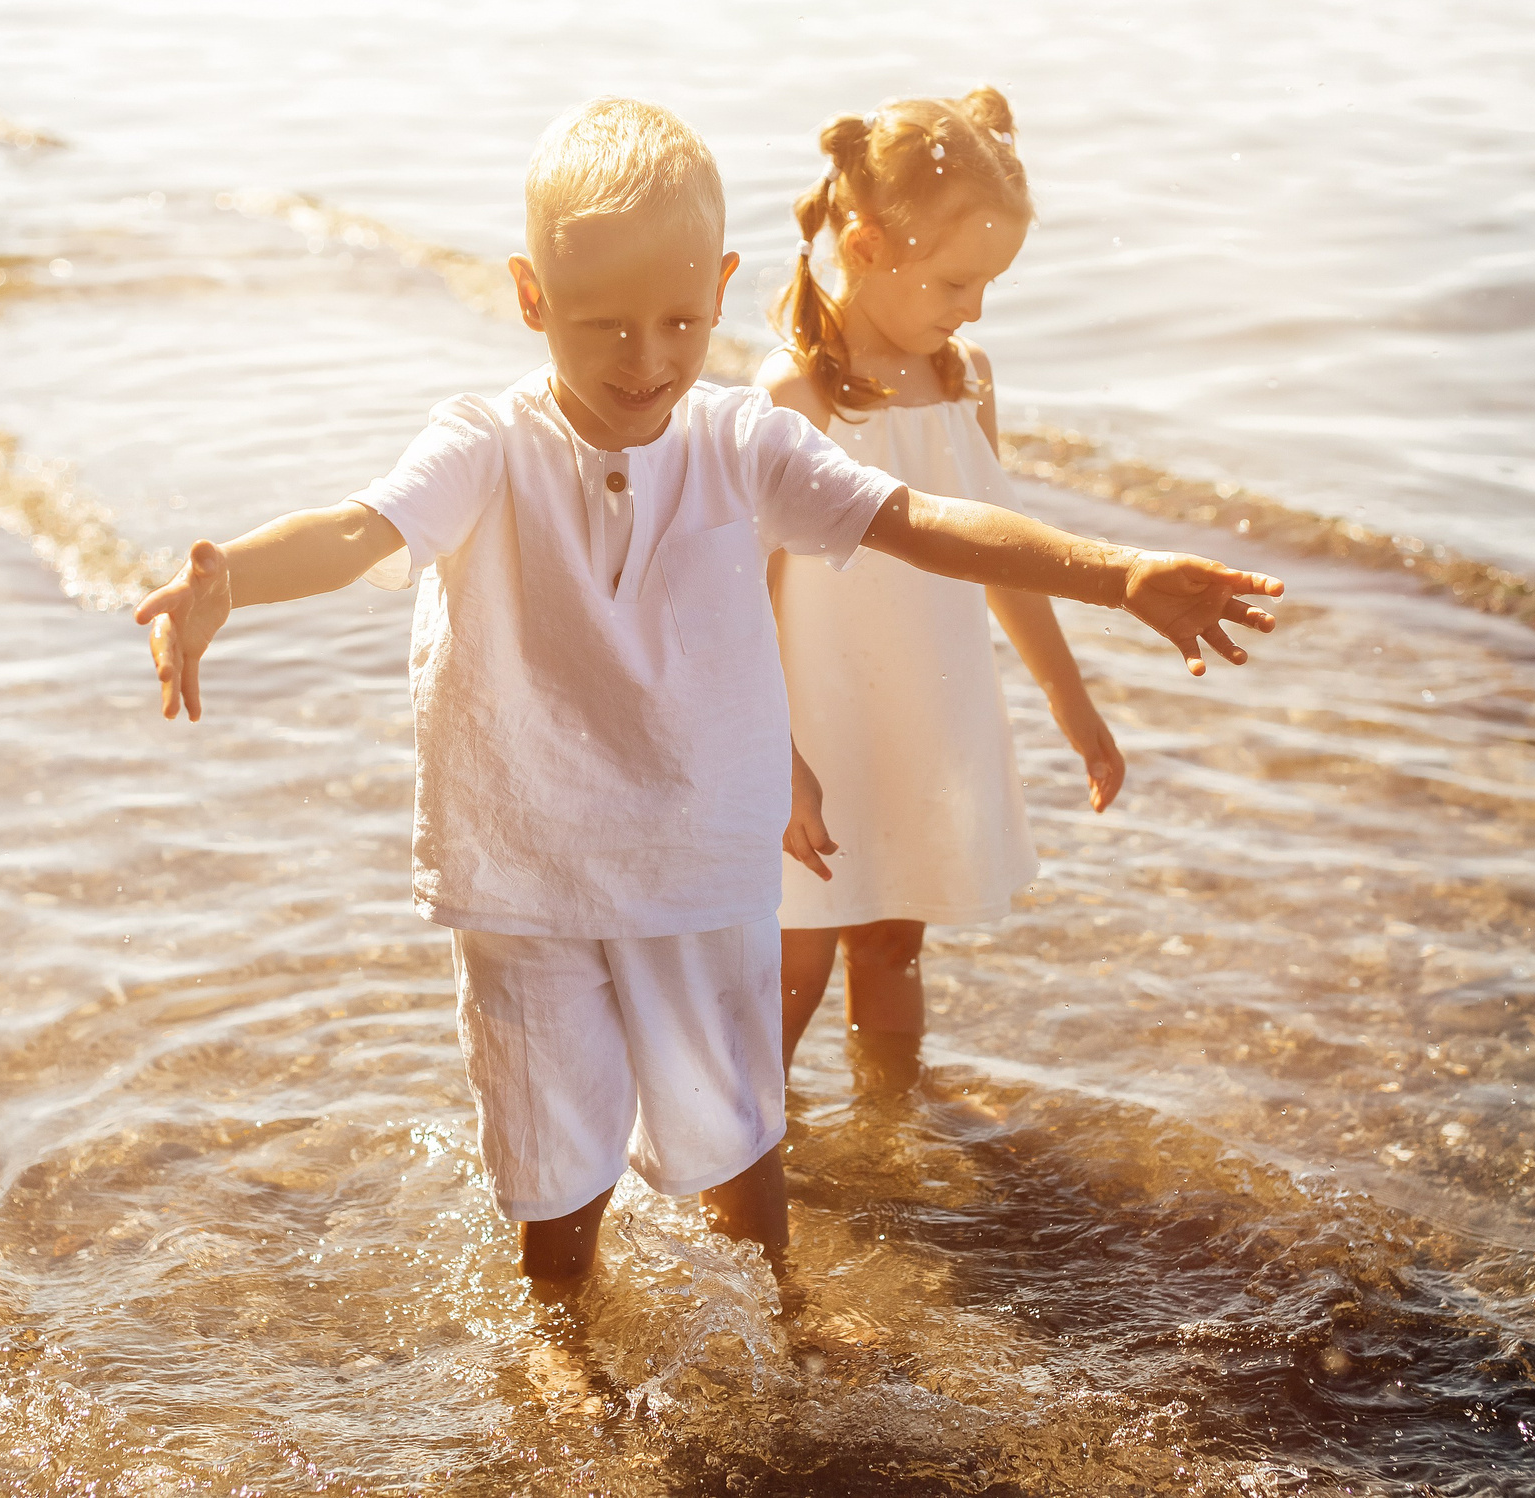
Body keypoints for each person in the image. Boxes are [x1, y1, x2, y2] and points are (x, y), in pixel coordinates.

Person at [131, 96, 1280, 1303]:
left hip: (698, 862)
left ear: (724, 286)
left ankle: (774, 1313)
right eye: (602, 325)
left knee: (737, 1127)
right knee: (553, 1150)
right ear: (530, 297)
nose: (646, 360)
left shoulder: (743, 443)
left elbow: (925, 523)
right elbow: (360, 528)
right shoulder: (483, 443)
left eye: (679, 320)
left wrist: (1122, 572)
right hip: (527, 871)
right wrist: (232, 586)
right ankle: (565, 1335)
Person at [764, 88, 1121, 1097]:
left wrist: (1071, 702)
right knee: (792, 960)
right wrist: (778, 760)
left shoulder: (965, 378)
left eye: (988, 287)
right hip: (814, 729)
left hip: (926, 713)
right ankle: (747, 1171)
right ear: (868, 241)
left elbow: (1006, 555)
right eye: (956, 281)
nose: (970, 309)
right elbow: (740, 599)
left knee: (894, 940)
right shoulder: (794, 398)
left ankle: (889, 1141)